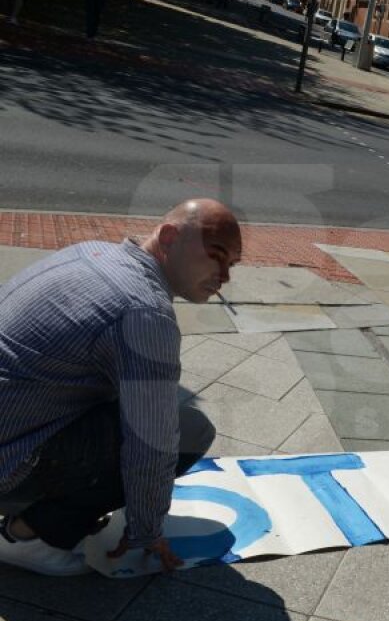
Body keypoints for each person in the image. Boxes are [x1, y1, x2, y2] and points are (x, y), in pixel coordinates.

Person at [0, 199, 241, 576]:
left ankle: (41, 505)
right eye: (216, 255)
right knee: (189, 432)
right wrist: (146, 529)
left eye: (232, 265)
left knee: (130, 406)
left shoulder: (90, 253)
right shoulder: (145, 312)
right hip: (9, 464)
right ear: (170, 236)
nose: (224, 275)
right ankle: (28, 538)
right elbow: (153, 444)